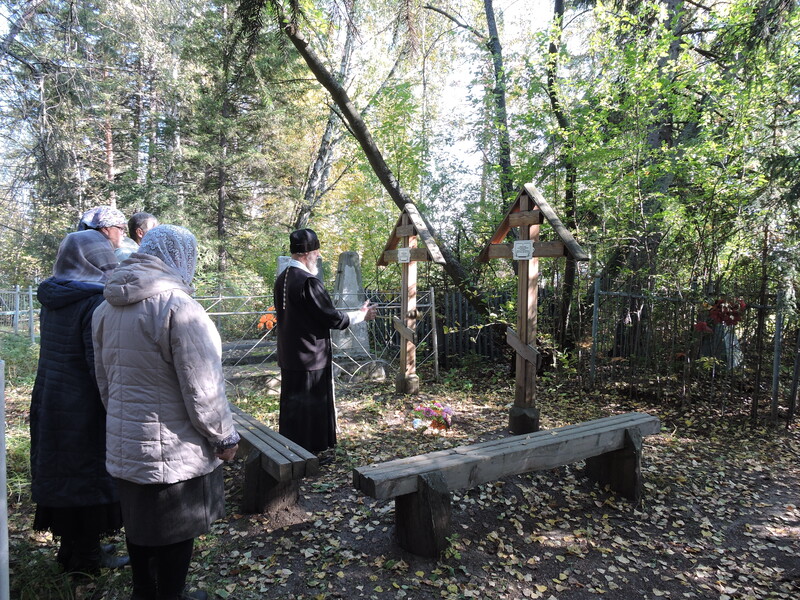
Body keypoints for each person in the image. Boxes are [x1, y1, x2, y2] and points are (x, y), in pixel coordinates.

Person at [92, 224, 239, 600]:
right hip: (175, 445)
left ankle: (143, 591)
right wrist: (224, 436)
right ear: (181, 257)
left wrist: (124, 422)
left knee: (139, 524)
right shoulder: (179, 307)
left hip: (127, 440)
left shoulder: (107, 306)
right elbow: (203, 386)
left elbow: (104, 380)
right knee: (176, 528)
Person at [29, 229, 128, 574]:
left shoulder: (56, 294)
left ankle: (72, 549)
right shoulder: (94, 300)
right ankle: (86, 559)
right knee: (87, 477)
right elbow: (96, 362)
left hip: (51, 395)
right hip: (83, 403)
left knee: (65, 475)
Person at [273, 228, 377, 458]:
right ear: (306, 253)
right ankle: (312, 454)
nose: (318, 256)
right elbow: (330, 317)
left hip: (291, 354)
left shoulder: (283, 278)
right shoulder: (308, 282)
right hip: (311, 356)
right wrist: (361, 315)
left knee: (295, 408)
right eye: (316, 251)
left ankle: (292, 452)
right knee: (311, 409)